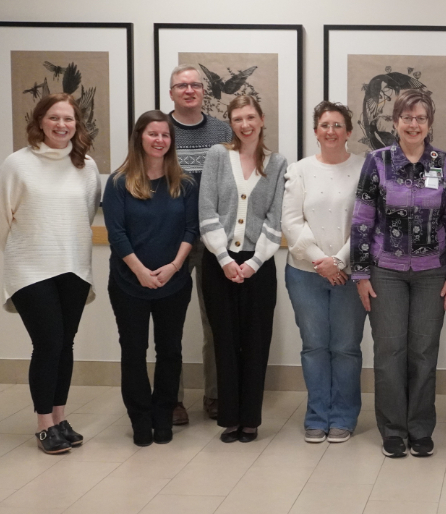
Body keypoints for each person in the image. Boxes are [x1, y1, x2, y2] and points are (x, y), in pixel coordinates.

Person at [351, 89, 446, 458]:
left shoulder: (444, 164)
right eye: (406, 117)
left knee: (423, 352)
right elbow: (362, 220)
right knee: (389, 352)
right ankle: (393, 430)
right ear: (395, 122)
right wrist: (361, 275)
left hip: (433, 272)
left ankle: (420, 428)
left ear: (429, 123)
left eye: (420, 118)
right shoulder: (377, 162)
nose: (413, 124)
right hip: (386, 272)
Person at [0, 93, 101, 454]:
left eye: (68, 119)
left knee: (64, 344)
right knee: (48, 343)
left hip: (74, 266)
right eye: (54, 118)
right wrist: (25, 250)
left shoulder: (86, 166)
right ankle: (42, 425)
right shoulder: (16, 165)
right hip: (30, 268)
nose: (61, 125)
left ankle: (59, 418)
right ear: (40, 122)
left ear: (76, 125)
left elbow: (86, 214)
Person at [103, 110, 198, 447]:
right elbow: (116, 233)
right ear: (139, 137)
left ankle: (163, 414)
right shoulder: (118, 182)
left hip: (174, 282)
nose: (159, 140)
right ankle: (140, 417)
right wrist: (140, 271)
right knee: (133, 350)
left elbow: (191, 229)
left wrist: (174, 267)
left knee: (170, 351)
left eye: (165, 136)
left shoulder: (184, 184)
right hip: (129, 283)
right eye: (153, 134)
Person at [199, 95, 287, 443]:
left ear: (262, 120)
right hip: (218, 263)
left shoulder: (277, 163)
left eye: (250, 117)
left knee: (255, 341)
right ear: (230, 123)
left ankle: (250, 419)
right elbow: (206, 208)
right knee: (224, 340)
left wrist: (252, 263)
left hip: (258, 265)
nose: (245, 124)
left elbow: (275, 218)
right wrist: (223, 258)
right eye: (237, 119)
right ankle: (230, 418)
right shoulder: (218, 156)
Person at [283, 101, 366, 444]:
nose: (330, 131)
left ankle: (344, 417)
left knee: (346, 347)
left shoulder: (365, 168)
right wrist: (322, 261)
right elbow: (290, 221)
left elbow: (367, 222)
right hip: (305, 273)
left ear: (348, 132)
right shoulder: (299, 170)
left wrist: (341, 262)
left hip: (350, 274)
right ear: (315, 131)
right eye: (324, 125)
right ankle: (317, 416)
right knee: (314, 346)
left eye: (337, 125)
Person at [168, 64, 233, 425]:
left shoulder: (222, 131)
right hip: (171, 240)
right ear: (172, 92)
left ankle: (215, 395)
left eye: (195, 85)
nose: (189, 90)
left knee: (215, 322)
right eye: (182, 85)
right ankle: (172, 398)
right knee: (170, 323)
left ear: (203, 91)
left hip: (213, 240)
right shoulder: (158, 129)